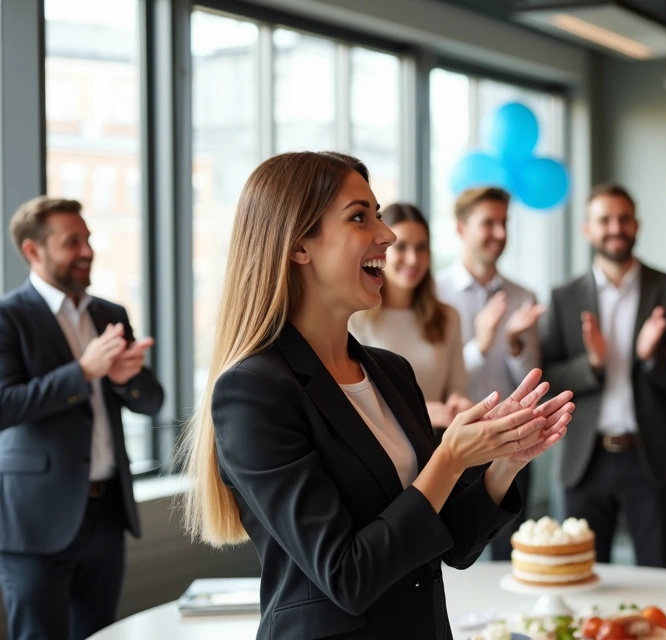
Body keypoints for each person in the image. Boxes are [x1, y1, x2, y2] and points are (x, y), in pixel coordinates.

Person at [180, 151, 573, 640]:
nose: (387, 235)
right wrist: (449, 458)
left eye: (379, 216)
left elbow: (451, 543)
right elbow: (347, 575)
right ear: (299, 245)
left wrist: (505, 464)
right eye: (360, 217)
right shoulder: (254, 391)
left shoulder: (391, 373)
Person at [0, 197, 164, 640]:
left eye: (87, 239)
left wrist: (125, 381)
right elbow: (5, 405)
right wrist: (83, 372)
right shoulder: (7, 317)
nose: (87, 251)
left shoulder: (110, 314)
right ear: (33, 250)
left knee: (99, 634)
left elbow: (153, 402)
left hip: (107, 513)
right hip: (34, 520)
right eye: (72, 242)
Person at [540, 182, 666, 569]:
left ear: (636, 225)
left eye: (624, 219)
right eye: (604, 219)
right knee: (581, 574)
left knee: (659, 576)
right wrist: (592, 363)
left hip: (651, 456)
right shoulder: (563, 296)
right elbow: (549, 380)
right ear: (587, 229)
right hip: (584, 459)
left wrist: (651, 357)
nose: (615, 228)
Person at [435, 187, 544, 561]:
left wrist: (514, 344)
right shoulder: (434, 295)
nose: (499, 233)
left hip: (512, 442)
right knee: (454, 549)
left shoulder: (523, 296)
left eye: (504, 223)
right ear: (461, 228)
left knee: (511, 551)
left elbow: (533, 379)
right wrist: (479, 346)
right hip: (453, 444)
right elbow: (437, 380)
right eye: (488, 223)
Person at [348, 203, 470, 428]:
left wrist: (458, 404)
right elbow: (354, 404)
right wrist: (420, 413)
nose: (413, 259)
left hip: (439, 440)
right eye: (401, 247)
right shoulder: (353, 319)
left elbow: (457, 389)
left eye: (421, 247)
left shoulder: (448, 317)